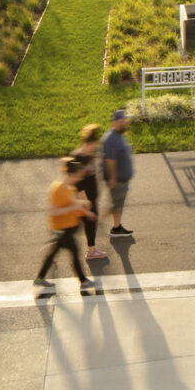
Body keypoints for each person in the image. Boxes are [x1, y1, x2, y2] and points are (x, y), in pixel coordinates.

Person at [34, 156, 97, 295]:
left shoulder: (69, 188)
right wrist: (75, 209)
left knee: (54, 252)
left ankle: (40, 278)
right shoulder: (58, 189)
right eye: (79, 176)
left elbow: (73, 204)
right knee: (74, 252)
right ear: (72, 174)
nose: (80, 179)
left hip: (66, 228)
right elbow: (52, 210)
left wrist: (86, 211)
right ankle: (83, 280)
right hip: (62, 229)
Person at [71, 123, 106, 260]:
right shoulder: (78, 157)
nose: (96, 148)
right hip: (85, 199)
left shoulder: (89, 155)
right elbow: (76, 182)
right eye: (95, 145)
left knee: (78, 226)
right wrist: (85, 201)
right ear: (90, 143)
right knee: (77, 226)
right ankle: (91, 251)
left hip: (91, 199)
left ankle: (92, 249)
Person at [102, 108, 135, 239]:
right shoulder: (111, 139)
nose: (126, 122)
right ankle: (97, 220)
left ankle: (117, 227)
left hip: (121, 179)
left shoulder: (118, 135)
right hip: (117, 180)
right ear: (116, 122)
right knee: (115, 205)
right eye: (123, 120)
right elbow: (110, 160)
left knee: (118, 204)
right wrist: (113, 178)